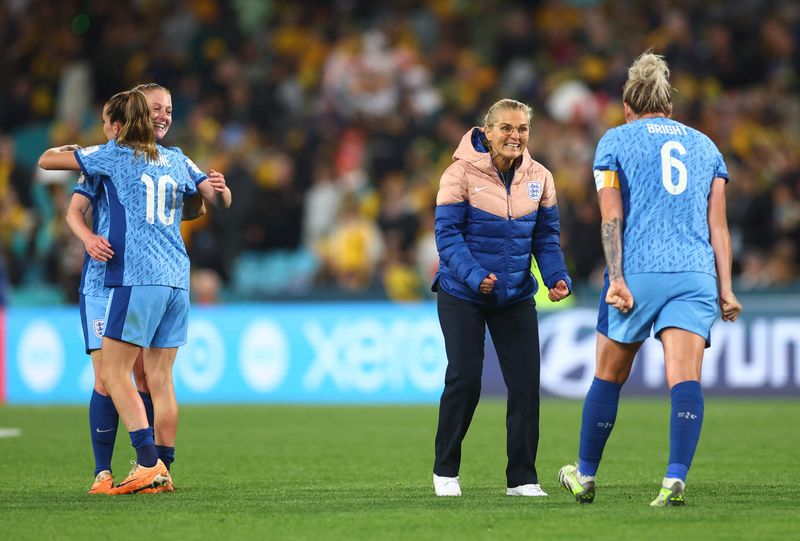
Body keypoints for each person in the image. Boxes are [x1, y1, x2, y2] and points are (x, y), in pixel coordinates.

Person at [557, 52, 742, 507]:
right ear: (670, 107)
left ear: (627, 106)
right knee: (685, 379)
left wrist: (616, 278)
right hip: (696, 274)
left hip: (638, 272)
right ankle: (674, 478)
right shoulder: (706, 146)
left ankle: (584, 476)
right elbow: (718, 226)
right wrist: (726, 288)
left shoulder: (614, 141)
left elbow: (611, 216)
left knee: (608, 375)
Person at [40, 89, 231, 495]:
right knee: (156, 378)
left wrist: (74, 148)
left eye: (169, 110)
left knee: (113, 373)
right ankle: (149, 468)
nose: (164, 116)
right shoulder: (177, 158)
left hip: (131, 275)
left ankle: (147, 464)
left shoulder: (111, 155)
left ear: (121, 125)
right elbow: (208, 202)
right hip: (174, 277)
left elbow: (45, 160)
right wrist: (220, 190)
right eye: (157, 109)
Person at [431, 98, 572, 497]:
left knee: (526, 385)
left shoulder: (540, 176)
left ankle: (522, 478)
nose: (515, 136)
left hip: (514, 295)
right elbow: (447, 236)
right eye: (507, 128)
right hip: (462, 293)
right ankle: (445, 471)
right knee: (466, 380)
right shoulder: (459, 173)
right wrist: (475, 276)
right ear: (487, 131)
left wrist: (555, 276)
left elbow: (545, 237)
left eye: (522, 129)